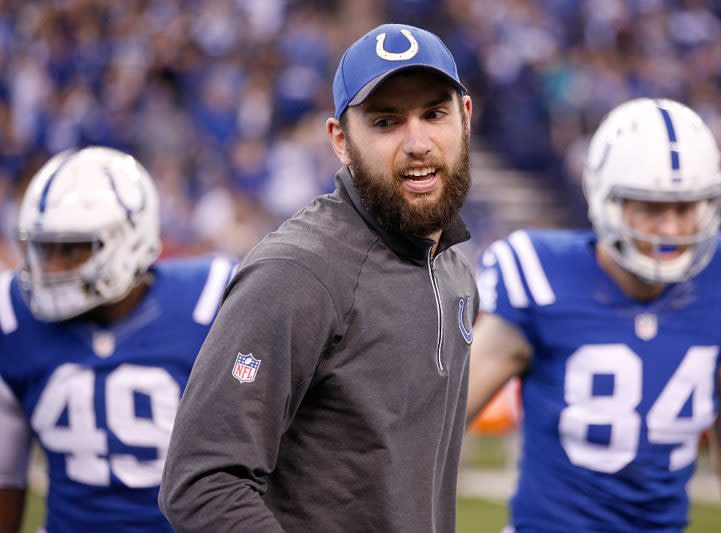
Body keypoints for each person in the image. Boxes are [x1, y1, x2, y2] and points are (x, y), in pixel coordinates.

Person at [158, 23, 478, 532]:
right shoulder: (296, 273)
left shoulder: (453, 265)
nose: (417, 142)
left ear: (465, 117)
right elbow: (203, 483)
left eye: (434, 114)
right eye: (385, 121)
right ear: (340, 141)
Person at [467, 97, 721, 531]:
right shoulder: (540, 277)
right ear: (603, 197)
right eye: (650, 207)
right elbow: (441, 423)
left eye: (686, 207)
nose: (670, 229)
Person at [0, 146, 234, 533]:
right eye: (42, 249)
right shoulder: (13, 318)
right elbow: (6, 478)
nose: (51, 268)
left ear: (129, 240)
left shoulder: (213, 301)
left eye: (71, 249)